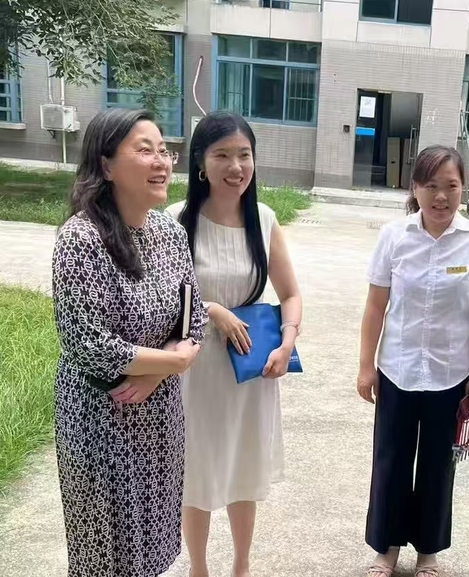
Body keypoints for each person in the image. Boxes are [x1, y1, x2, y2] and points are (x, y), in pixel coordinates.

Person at [52, 108, 206, 577]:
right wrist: (173, 363)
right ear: (106, 165)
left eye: (165, 151)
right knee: (107, 551)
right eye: (144, 150)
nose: (161, 162)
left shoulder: (170, 233)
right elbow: (89, 343)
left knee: (153, 543)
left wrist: (158, 372)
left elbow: (193, 316)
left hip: (159, 418)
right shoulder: (80, 239)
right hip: (101, 417)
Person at [166, 111, 302, 577]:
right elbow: (160, 299)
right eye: (222, 155)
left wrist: (286, 342)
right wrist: (212, 310)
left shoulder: (263, 219)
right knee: (197, 471)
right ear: (201, 162)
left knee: (245, 470)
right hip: (195, 370)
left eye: (244, 155)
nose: (236, 166)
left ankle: (242, 565)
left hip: (250, 369)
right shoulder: (175, 221)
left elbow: (291, 294)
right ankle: (198, 568)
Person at [358, 146, 469, 577]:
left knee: (438, 465)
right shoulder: (393, 236)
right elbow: (375, 306)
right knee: (391, 460)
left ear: (463, 188)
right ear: (415, 187)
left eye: (451, 186)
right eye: (431, 185)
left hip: (450, 374)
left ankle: (428, 552)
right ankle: (386, 549)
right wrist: (366, 366)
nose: (441, 196)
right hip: (397, 369)